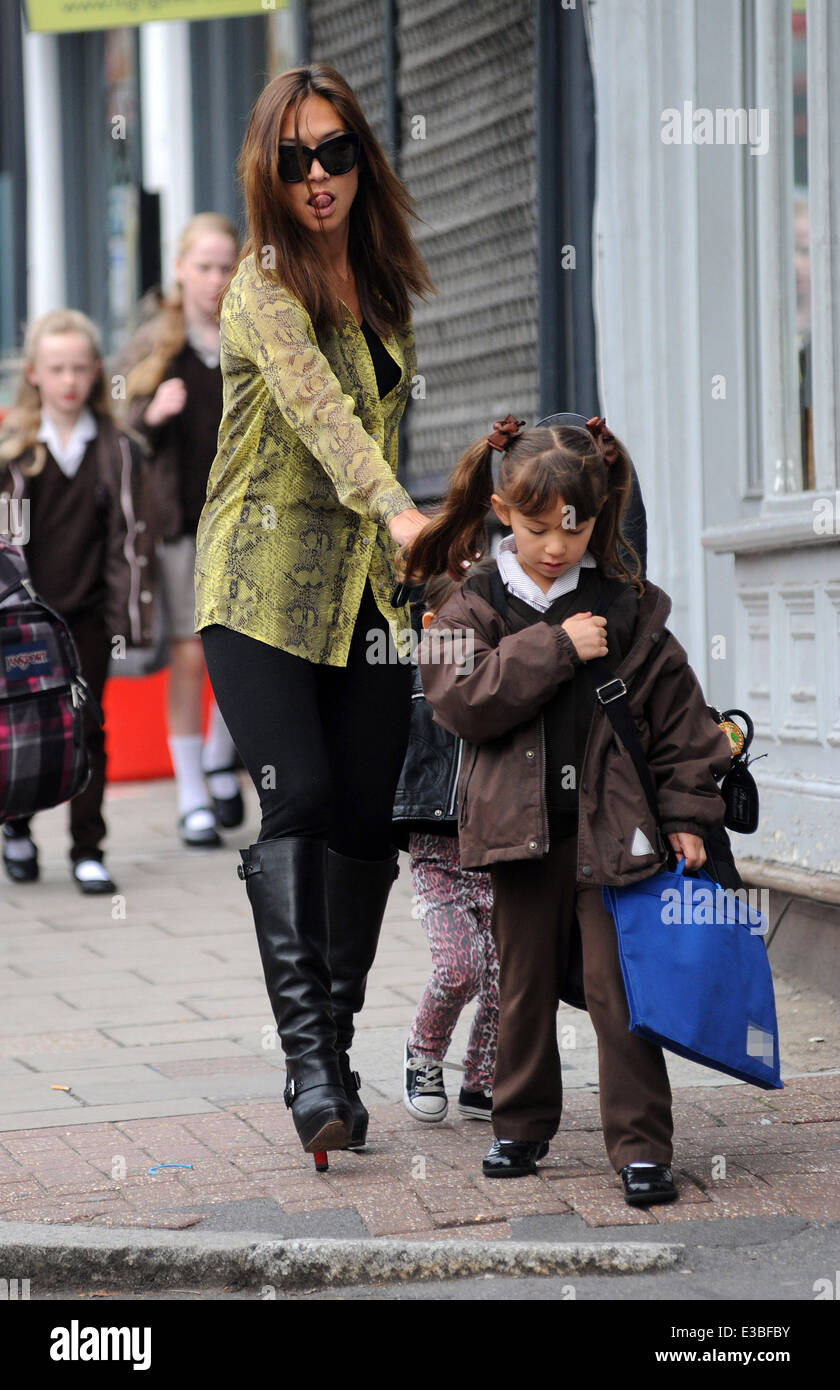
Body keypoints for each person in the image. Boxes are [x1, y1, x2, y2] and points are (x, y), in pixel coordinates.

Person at [194, 64, 434, 1166]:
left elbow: (384, 426)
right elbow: (323, 415)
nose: (320, 175)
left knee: (369, 821)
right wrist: (399, 510)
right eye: (296, 159)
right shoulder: (261, 286)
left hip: (369, 596)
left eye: (336, 151)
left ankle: (332, 1054)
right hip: (257, 586)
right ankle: (307, 1065)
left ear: (362, 158)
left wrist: (432, 544)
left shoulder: (380, 283)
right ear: (268, 172)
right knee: (301, 798)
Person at [410, 415, 732, 1204]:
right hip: (517, 836)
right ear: (499, 510)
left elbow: (685, 725)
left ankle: (642, 1148)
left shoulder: (629, 609)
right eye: (536, 527)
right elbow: (460, 702)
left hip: (612, 835)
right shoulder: (466, 606)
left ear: (596, 512)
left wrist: (689, 814)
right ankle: (519, 1128)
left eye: (574, 525)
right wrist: (556, 647)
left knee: (619, 990)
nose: (556, 545)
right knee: (519, 986)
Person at [0, 309, 155, 893]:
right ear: (35, 374)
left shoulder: (116, 448)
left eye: (79, 367)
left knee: (86, 725)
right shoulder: (15, 450)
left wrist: (130, 619)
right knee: (21, 721)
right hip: (23, 621)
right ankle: (16, 825)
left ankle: (87, 848)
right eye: (55, 368)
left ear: (96, 372)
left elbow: (131, 539)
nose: (68, 379)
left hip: (88, 619)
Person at [121, 214, 243, 848]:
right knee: (190, 654)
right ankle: (193, 791)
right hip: (178, 527)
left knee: (242, 652)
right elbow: (118, 429)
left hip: (246, 523)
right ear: (180, 270)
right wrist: (148, 411)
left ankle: (224, 759)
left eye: (226, 267)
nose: (216, 280)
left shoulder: (250, 334)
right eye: (204, 267)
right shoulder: (155, 345)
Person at [392, 567, 498, 1124]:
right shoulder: (415, 680)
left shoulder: (505, 675)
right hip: (439, 851)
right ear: (432, 625)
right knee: (461, 965)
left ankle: (484, 1076)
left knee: (509, 972)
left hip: (502, 847)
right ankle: (423, 1052)